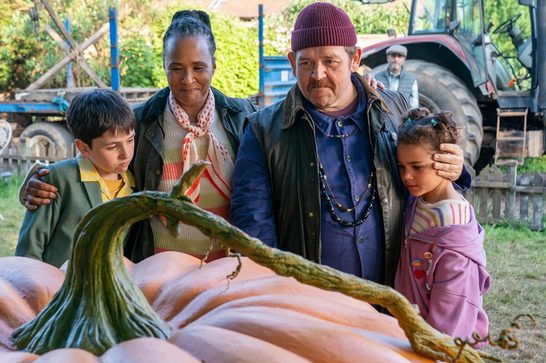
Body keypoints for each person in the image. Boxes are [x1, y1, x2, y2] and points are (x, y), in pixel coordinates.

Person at [230, 2, 468, 286]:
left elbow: (429, 184)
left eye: (330, 62)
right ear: (292, 62)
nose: (317, 74)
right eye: (306, 63)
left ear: (354, 59)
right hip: (310, 309)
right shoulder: (263, 132)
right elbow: (254, 232)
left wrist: (452, 169)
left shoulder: (395, 111)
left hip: (394, 300)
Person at [20, 10, 258, 263]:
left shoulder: (243, 118)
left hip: (227, 267)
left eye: (199, 67)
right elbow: (92, 165)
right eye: (176, 68)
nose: (188, 79)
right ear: (164, 66)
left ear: (214, 65)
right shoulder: (140, 123)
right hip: (157, 271)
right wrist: (37, 183)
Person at [395, 108, 490, 341]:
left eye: (417, 167)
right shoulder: (419, 199)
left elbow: (453, 315)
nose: (407, 176)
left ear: (444, 160)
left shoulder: (452, 226)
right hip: (410, 335)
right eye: (401, 167)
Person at [16, 89, 135, 267]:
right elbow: (29, 249)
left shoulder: (136, 182)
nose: (126, 154)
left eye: (131, 140)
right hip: (57, 288)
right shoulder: (57, 179)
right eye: (112, 147)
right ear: (84, 148)